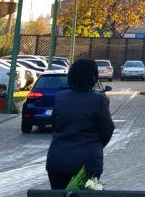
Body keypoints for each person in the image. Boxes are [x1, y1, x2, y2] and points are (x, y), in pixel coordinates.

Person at [45, 58, 114, 190]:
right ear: (93, 77)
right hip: (87, 163)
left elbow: (55, 125)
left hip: (57, 161)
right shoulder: (98, 100)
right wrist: (95, 145)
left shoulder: (60, 98)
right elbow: (107, 130)